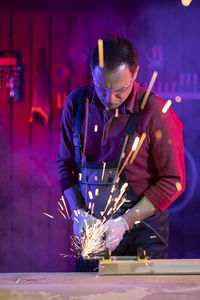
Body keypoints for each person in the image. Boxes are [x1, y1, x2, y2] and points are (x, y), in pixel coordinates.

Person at [56, 37, 185, 271]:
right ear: (92, 73)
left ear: (135, 73)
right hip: (92, 232)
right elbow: (65, 166)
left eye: (121, 90)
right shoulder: (75, 103)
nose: (111, 99)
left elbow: (173, 181)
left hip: (144, 236)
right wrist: (78, 213)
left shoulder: (155, 112)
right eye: (102, 88)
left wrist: (124, 222)